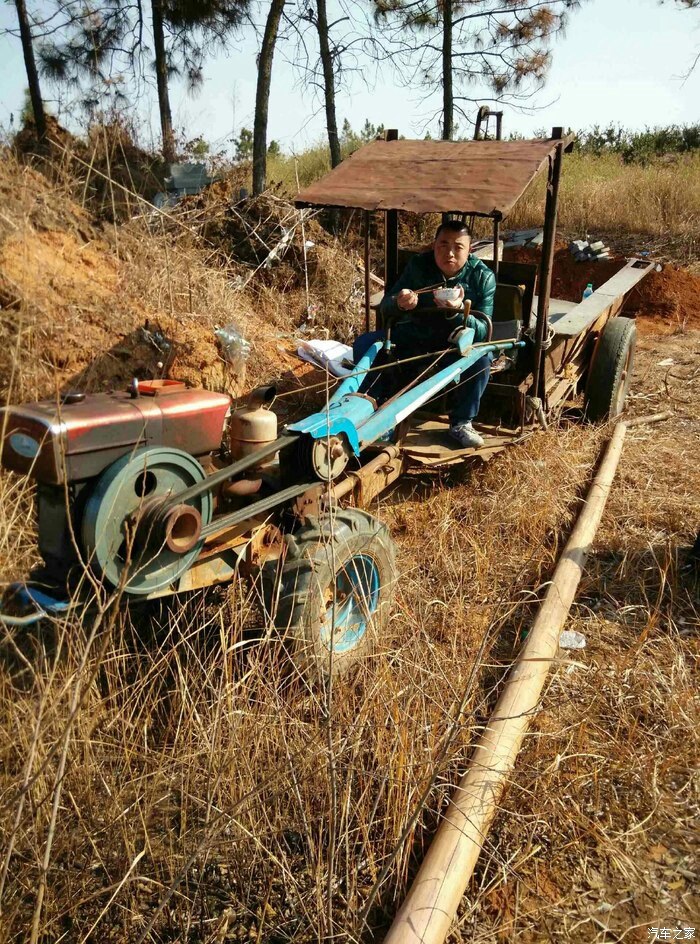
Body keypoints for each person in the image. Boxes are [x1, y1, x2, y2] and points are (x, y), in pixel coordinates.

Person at [356, 220, 496, 448]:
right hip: (416, 335)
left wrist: (457, 313)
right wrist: (400, 303)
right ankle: (371, 409)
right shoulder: (419, 265)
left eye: (458, 247)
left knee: (482, 359)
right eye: (443, 245)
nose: (449, 253)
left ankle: (461, 422)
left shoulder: (482, 277)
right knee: (367, 344)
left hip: (454, 344)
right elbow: (387, 304)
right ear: (434, 245)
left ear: (470, 250)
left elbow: (483, 329)